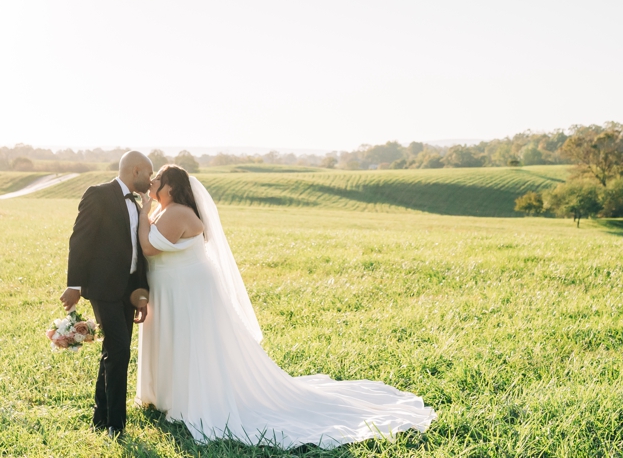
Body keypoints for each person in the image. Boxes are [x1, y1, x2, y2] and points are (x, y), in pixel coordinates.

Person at [134, 164, 436, 448]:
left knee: (193, 343)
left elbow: (148, 247)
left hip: (187, 290)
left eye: (156, 178)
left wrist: (144, 209)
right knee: (180, 340)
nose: (151, 182)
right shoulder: (165, 211)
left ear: (171, 187)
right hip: (175, 287)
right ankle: (174, 396)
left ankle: (196, 398)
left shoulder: (176, 212)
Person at [59, 150, 153, 439]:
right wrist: (74, 284)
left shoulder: (138, 205)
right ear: (136, 170)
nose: (151, 180)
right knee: (120, 351)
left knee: (113, 351)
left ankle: (101, 419)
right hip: (102, 289)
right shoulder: (98, 194)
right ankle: (116, 425)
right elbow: (80, 239)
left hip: (128, 291)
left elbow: (138, 254)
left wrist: (141, 296)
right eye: (149, 174)